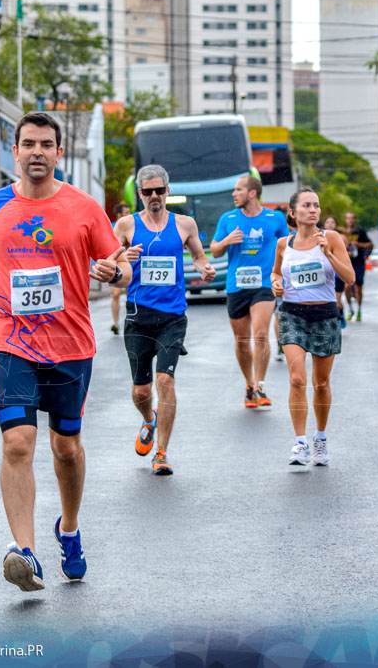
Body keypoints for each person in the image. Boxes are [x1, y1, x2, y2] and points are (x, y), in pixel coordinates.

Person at [0, 112, 131, 592]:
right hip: (10, 341)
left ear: (58, 152)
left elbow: (119, 266)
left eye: (46, 144)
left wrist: (116, 275)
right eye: (28, 143)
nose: (36, 152)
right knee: (18, 443)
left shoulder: (85, 208)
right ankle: (25, 552)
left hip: (71, 344)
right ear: (15, 150)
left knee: (65, 448)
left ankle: (68, 529)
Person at [115, 165, 215, 475]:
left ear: (168, 191)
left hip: (173, 316)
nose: (155, 196)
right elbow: (108, 262)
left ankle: (161, 452)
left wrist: (204, 268)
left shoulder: (185, 224)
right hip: (137, 315)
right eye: (148, 192)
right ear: (140, 194)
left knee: (165, 380)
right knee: (141, 392)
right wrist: (121, 259)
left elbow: (198, 255)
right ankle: (148, 419)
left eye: (160, 190)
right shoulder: (125, 225)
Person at [270, 189, 355, 466]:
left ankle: (320, 438)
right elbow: (275, 272)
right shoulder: (284, 243)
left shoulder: (331, 238)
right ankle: (300, 443)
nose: (313, 210)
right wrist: (276, 284)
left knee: (321, 382)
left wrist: (329, 254)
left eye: (316, 205)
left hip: (325, 315)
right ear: (293, 213)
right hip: (292, 314)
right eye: (306, 205)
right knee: (297, 379)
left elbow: (350, 277)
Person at [211, 175, 289, 407]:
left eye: (238, 190)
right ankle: (249, 384)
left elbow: (287, 246)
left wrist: (282, 276)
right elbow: (214, 251)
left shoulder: (274, 218)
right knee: (242, 340)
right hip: (237, 286)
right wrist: (226, 241)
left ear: (252, 192)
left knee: (261, 333)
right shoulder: (228, 218)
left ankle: (260, 386)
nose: (234, 194)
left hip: (264, 285)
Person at [274, 206, 298, 362]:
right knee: (278, 315)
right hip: (284, 288)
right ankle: (280, 343)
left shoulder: (313, 238)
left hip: (306, 295)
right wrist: (275, 281)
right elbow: (275, 270)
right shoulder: (281, 241)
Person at [343, 211, 373, 321]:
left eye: (352, 218)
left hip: (359, 262)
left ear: (355, 219)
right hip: (346, 263)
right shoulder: (343, 232)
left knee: (358, 288)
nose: (350, 220)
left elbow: (370, 244)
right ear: (345, 220)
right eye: (348, 218)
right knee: (346, 287)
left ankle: (359, 310)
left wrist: (358, 244)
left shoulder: (360, 231)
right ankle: (350, 308)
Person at [110, 202, 133, 334]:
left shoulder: (131, 227)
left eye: (129, 212)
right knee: (115, 294)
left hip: (130, 265)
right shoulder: (111, 227)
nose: (128, 215)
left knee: (129, 294)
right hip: (117, 265)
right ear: (119, 215)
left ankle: (130, 320)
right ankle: (116, 323)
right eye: (125, 213)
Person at [323, 216, 348, 329]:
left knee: (337, 301)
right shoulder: (319, 237)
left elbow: (346, 256)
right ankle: (330, 320)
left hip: (338, 274)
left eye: (332, 222)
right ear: (324, 225)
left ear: (335, 224)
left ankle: (340, 316)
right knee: (327, 300)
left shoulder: (341, 237)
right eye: (327, 222)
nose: (330, 224)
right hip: (324, 274)